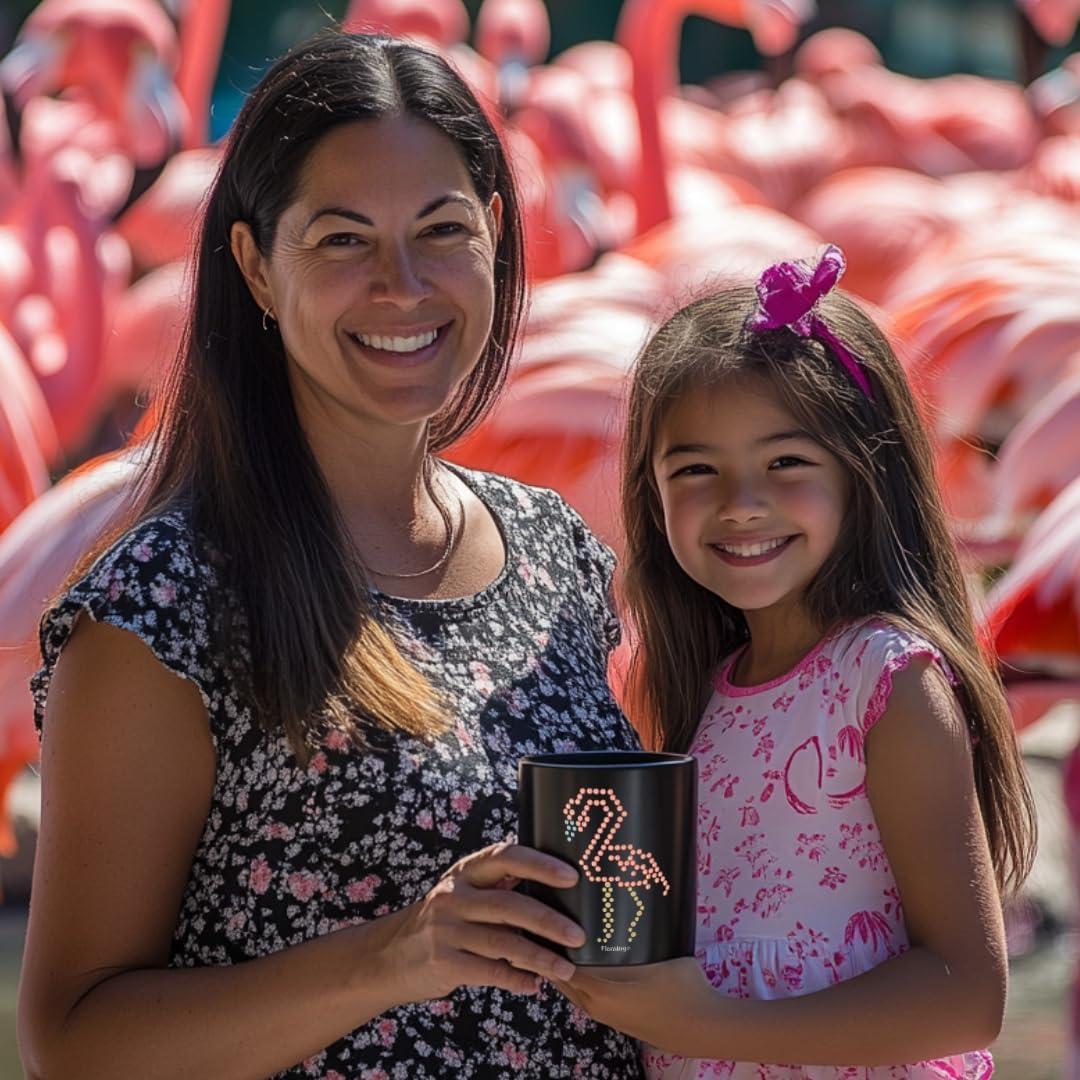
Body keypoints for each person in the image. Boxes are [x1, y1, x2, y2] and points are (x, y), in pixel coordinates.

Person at [17, 30, 645, 1079]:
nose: (402, 285)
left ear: (495, 234)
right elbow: (73, 1043)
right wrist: (397, 956)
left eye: (441, 230)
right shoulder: (166, 605)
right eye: (343, 241)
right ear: (258, 269)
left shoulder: (556, 549)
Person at [554, 246, 1037, 1077]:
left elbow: (965, 995)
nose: (741, 503)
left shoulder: (886, 683)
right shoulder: (705, 694)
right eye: (696, 470)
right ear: (652, 493)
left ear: (864, 474)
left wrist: (706, 1025)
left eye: (786, 463)